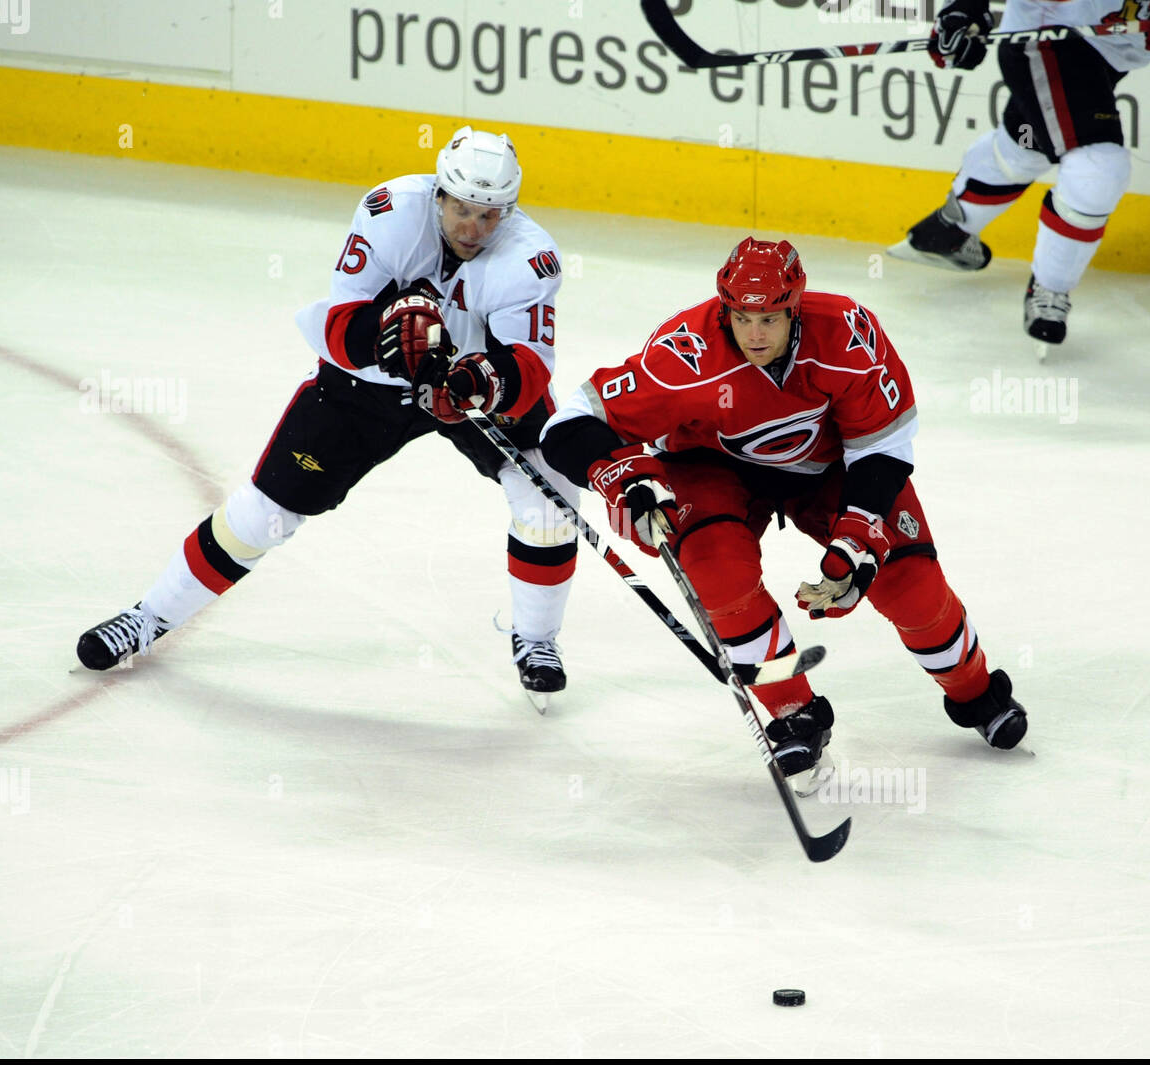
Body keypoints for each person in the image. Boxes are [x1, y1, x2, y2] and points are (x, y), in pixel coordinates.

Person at [76, 126, 581, 703]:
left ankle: (537, 638)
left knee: (551, 500)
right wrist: (380, 337)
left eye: (490, 215)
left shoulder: (530, 257)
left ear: (508, 212)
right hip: (365, 389)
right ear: (439, 194)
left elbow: (529, 368)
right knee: (262, 515)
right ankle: (148, 618)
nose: (474, 228)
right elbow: (342, 319)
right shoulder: (390, 211)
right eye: (463, 209)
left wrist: (483, 383)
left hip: (468, 389)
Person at [540, 238, 1027, 778]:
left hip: (831, 467)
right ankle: (792, 710)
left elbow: (882, 447)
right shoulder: (686, 351)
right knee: (718, 574)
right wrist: (619, 476)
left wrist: (859, 535)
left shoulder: (847, 334)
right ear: (725, 309)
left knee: (909, 584)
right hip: (712, 466)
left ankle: (975, 691)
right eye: (742, 317)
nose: (754, 334)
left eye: (770, 318)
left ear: (794, 307)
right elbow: (570, 423)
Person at [891, 0, 1150, 345]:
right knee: (1098, 167)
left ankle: (949, 228)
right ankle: (1051, 288)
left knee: (1025, 149)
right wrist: (963, 8)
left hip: (1112, 45)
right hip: (1051, 37)